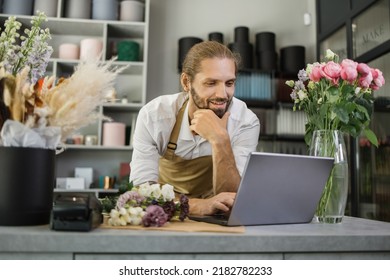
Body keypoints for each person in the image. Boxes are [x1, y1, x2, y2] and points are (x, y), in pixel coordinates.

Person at [130, 41, 260, 215]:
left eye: (229, 83)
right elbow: (143, 192)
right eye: (211, 83)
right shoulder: (154, 116)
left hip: (217, 218)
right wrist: (198, 206)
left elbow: (235, 200)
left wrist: (220, 139)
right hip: (166, 215)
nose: (222, 95)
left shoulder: (245, 122)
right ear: (186, 82)